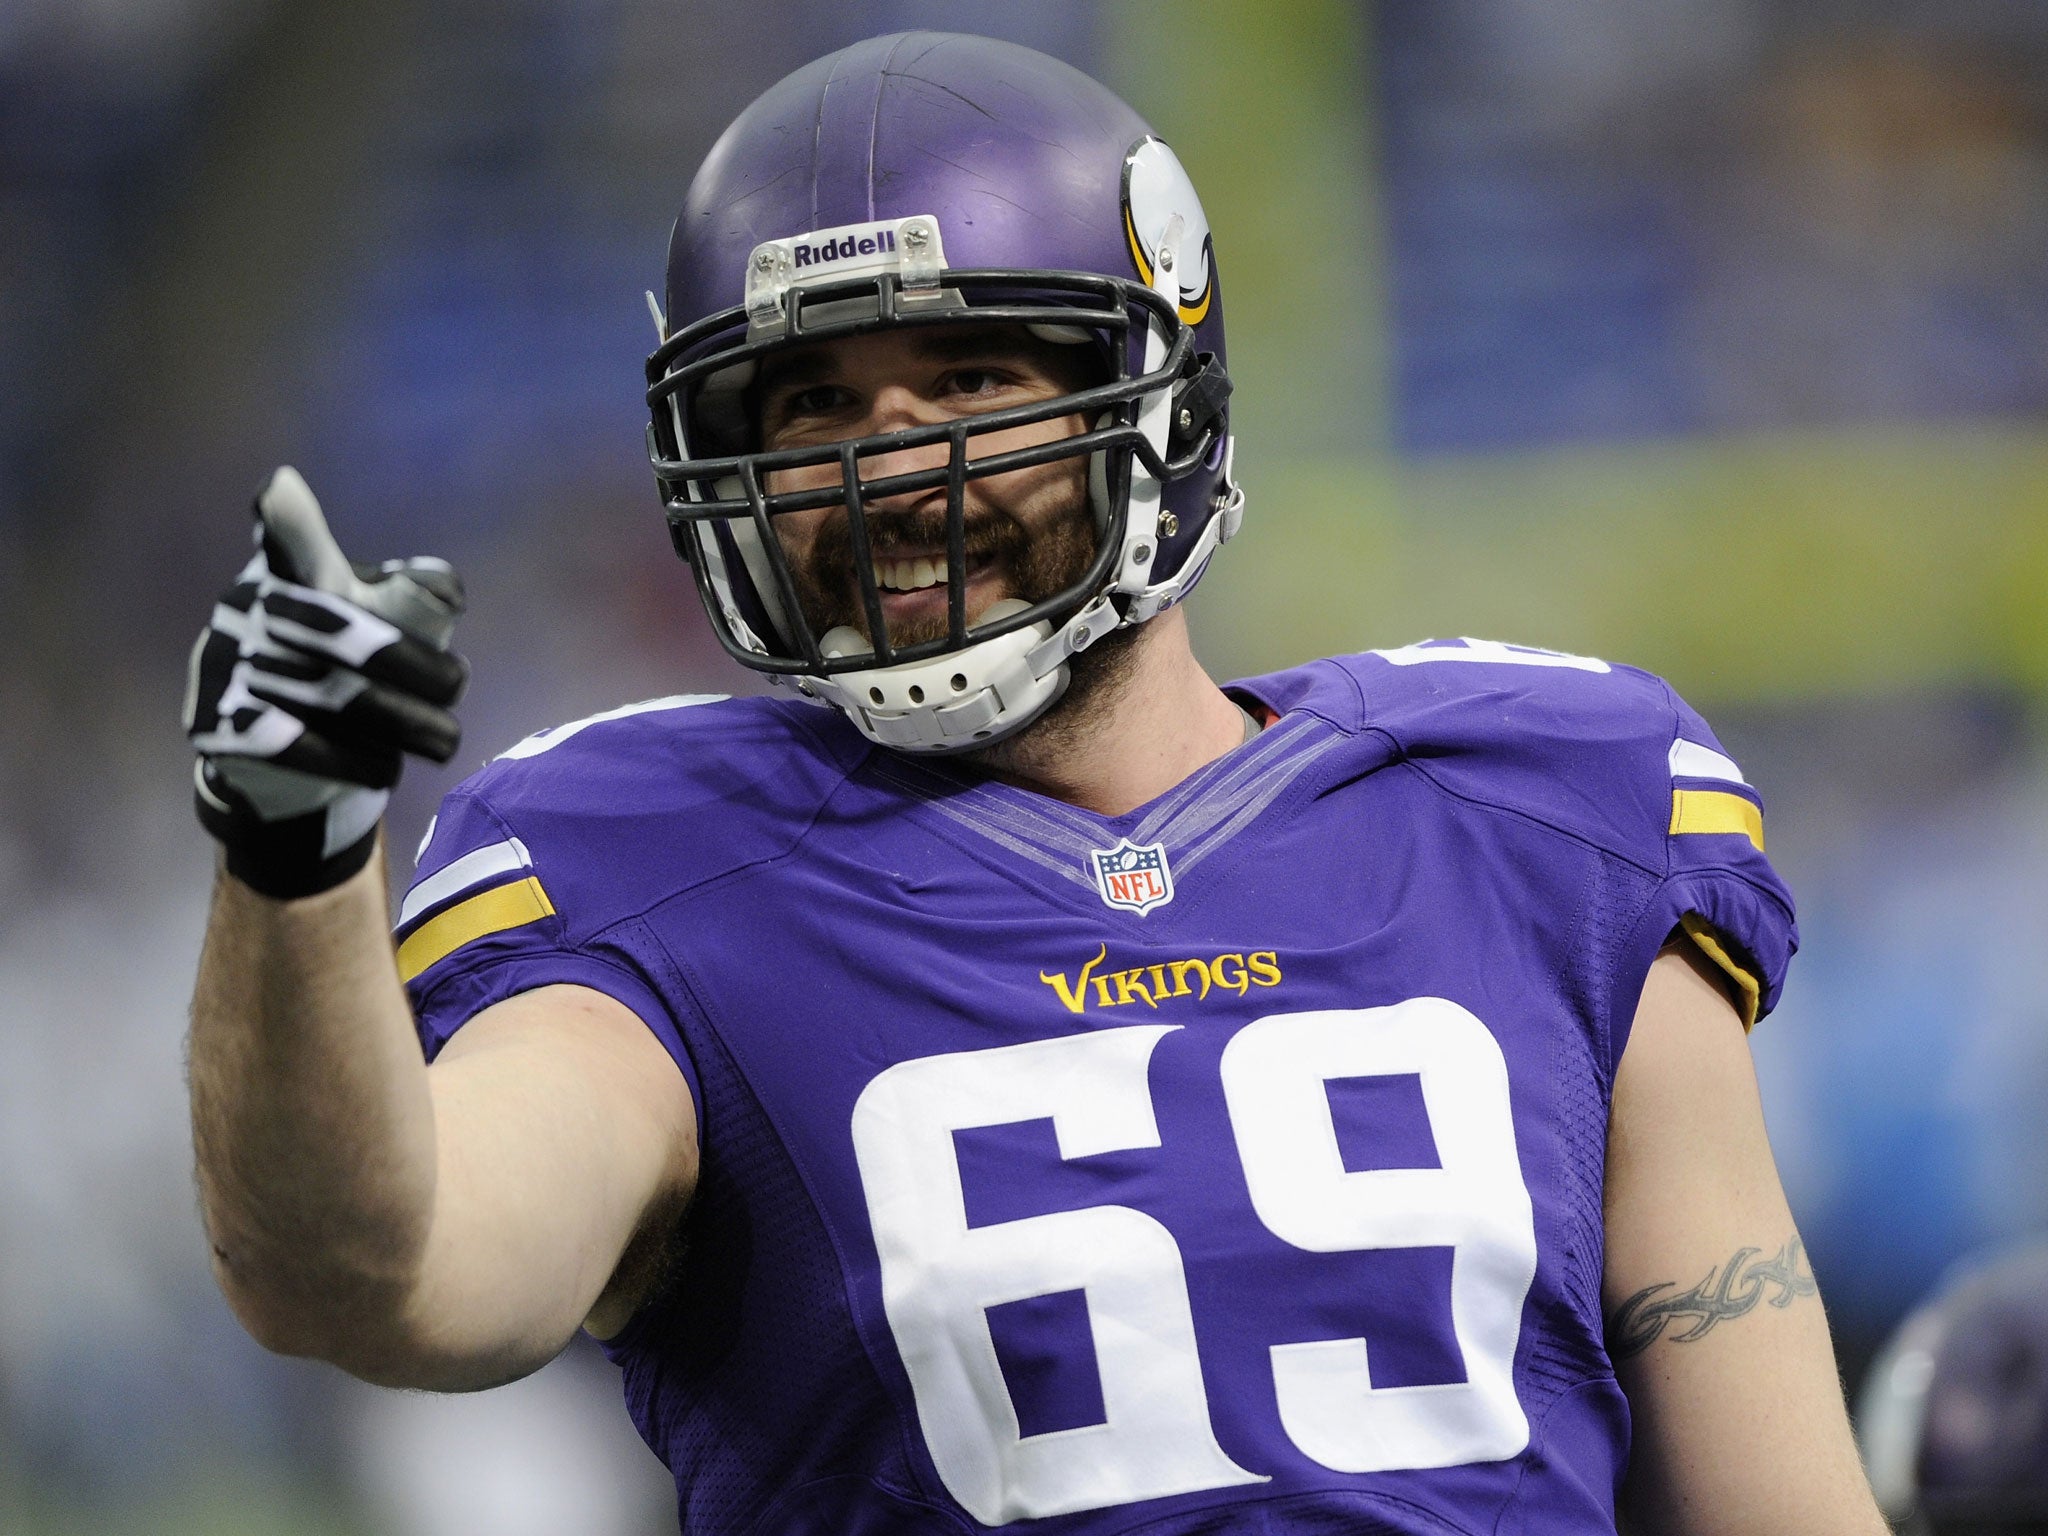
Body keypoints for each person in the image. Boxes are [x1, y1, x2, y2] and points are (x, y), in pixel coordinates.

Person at [184, 31, 1890, 1536]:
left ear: (1162, 393)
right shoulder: (654, 880)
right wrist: (293, 859)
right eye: (805, 409)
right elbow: (380, 1275)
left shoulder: (1539, 815)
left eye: (978, 381)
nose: (887, 474)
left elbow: (1777, 1504)